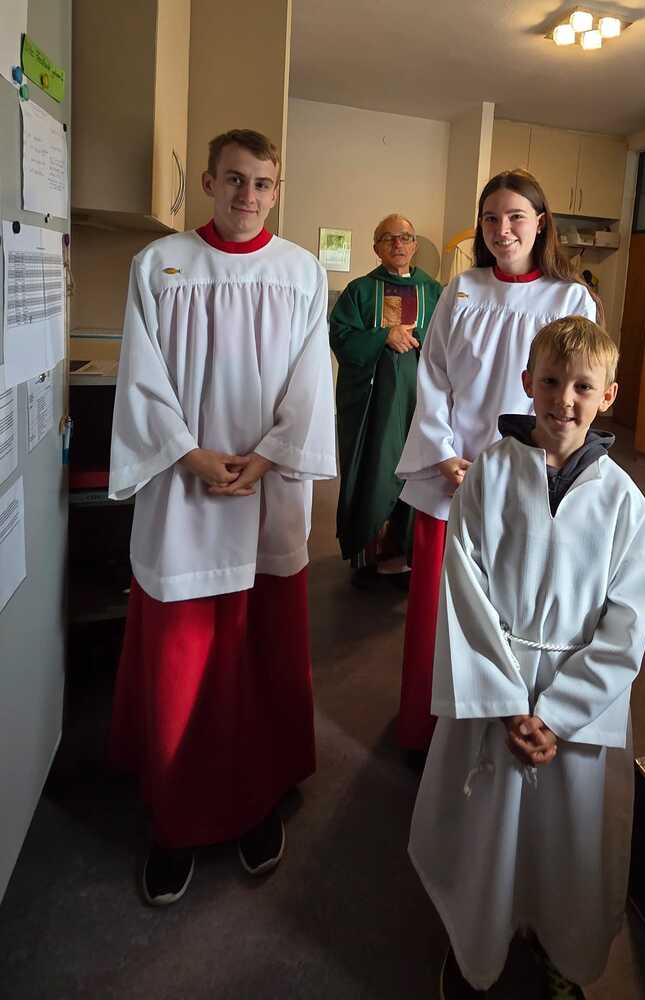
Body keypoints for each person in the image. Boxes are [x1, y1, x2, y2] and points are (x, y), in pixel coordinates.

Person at [108, 129, 336, 905]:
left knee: (258, 658)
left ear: (276, 190)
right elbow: (140, 377)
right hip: (183, 495)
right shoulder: (160, 265)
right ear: (207, 182)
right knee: (182, 664)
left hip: (266, 496)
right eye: (234, 179)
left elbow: (309, 381)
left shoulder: (300, 271)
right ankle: (175, 819)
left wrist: (269, 456)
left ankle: (255, 800)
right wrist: (188, 454)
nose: (248, 195)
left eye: (262, 183)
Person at [409, 315, 645, 998]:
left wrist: (557, 714)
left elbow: (627, 623)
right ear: (527, 382)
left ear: (607, 395)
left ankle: (561, 952)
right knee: (485, 832)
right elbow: (464, 590)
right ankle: (476, 946)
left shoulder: (624, 502)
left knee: (567, 841)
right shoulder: (489, 475)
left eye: (582, 386)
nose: (563, 400)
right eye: (550, 382)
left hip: (578, 711)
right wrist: (504, 703)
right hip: (496, 688)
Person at [395, 169, 598, 754]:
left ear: (541, 223)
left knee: (507, 613)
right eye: (491, 218)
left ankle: (493, 731)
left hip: (525, 478)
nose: (502, 229)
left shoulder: (569, 299)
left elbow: (573, 391)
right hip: (451, 477)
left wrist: (523, 465)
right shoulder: (462, 290)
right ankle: (427, 732)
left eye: (515, 217)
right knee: (440, 612)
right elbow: (433, 375)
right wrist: (443, 455)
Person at [330, 215, 441, 588]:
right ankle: (369, 556)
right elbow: (340, 336)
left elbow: (450, 340)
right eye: (389, 238)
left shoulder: (434, 292)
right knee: (376, 469)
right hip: (374, 406)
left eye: (406, 237)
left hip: (421, 404)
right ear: (376, 247)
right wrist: (382, 336)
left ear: (414, 245)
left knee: (418, 472)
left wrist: (416, 335)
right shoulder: (360, 291)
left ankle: (409, 557)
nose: (398, 244)